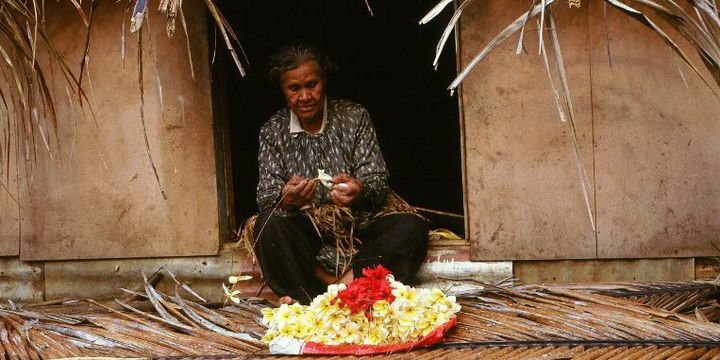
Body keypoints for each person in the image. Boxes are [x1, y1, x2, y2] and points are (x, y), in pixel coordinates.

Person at [253, 44, 428, 305]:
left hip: (359, 228)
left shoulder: (354, 117)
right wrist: (286, 198)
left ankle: (344, 285)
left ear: (324, 81)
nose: (304, 96)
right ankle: (308, 299)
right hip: (306, 233)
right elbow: (266, 196)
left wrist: (359, 192)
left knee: (410, 227)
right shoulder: (272, 131)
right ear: (283, 90)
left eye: (311, 85)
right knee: (267, 227)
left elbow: (377, 182)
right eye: (294, 88)